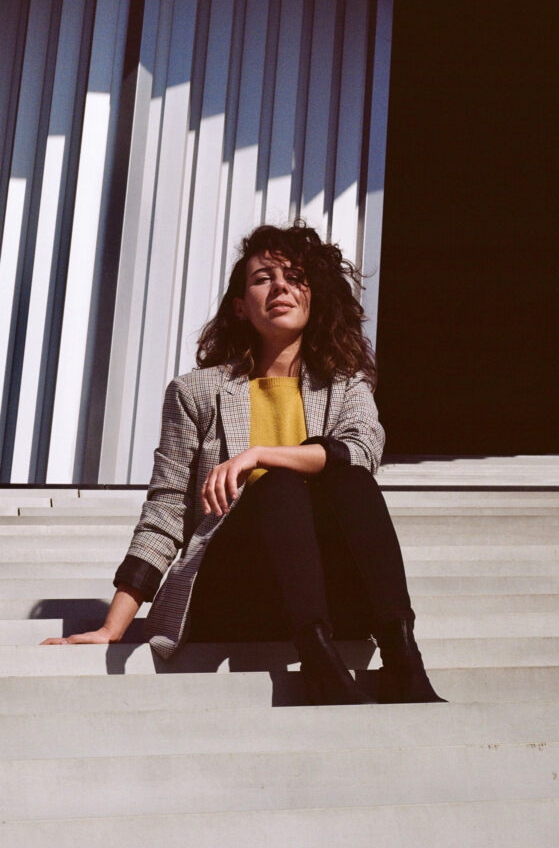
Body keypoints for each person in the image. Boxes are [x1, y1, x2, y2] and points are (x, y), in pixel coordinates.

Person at [41, 221, 445, 706]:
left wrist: (258, 454)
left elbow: (361, 450)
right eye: (263, 278)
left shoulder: (345, 384)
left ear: (313, 297)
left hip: (334, 598)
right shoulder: (196, 392)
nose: (280, 287)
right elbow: (166, 510)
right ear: (240, 306)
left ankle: (402, 658)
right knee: (278, 486)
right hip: (236, 593)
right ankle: (319, 664)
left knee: (350, 480)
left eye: (295, 278)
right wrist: (112, 627)